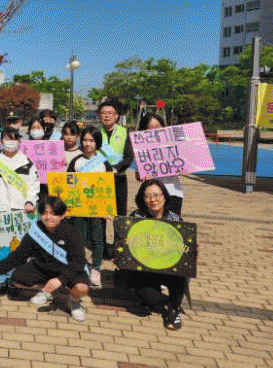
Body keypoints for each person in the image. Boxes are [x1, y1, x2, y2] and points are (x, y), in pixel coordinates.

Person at [0, 196, 90, 322]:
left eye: (53, 214)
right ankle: (47, 291)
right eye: (44, 213)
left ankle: (74, 302)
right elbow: (18, 255)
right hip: (44, 268)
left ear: (62, 215)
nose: (48, 217)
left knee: (82, 287)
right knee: (17, 278)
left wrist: (60, 280)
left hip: (68, 269)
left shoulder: (71, 231)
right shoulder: (36, 230)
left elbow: (78, 262)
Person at [125, 179, 188, 330]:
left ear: (165, 197)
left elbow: (183, 247)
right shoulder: (136, 217)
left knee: (182, 272)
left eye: (157, 195)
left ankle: (173, 310)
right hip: (144, 270)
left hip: (167, 269)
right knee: (148, 298)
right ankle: (165, 300)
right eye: (148, 196)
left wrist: (190, 250)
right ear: (142, 199)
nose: (153, 200)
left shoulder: (175, 219)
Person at [67, 125, 113, 288]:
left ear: (97, 142)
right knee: (78, 239)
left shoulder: (103, 163)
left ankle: (96, 269)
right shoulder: (76, 161)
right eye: (85, 140)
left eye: (91, 140)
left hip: (97, 209)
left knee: (97, 240)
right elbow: (69, 184)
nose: (87, 143)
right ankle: (79, 267)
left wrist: (108, 210)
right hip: (79, 209)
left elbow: (109, 187)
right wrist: (68, 206)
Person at [136, 113, 184, 215]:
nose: (154, 130)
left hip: (172, 192)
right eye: (149, 128)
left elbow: (185, 163)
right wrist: (141, 175)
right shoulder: (140, 148)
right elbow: (138, 174)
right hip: (151, 194)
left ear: (163, 127)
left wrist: (183, 168)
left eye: (157, 126)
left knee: (171, 223)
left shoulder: (173, 144)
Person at [97, 100, 134, 216]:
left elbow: (129, 156)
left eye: (110, 113)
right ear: (99, 115)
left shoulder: (124, 132)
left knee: (120, 215)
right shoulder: (94, 132)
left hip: (119, 178)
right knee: (98, 214)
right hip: (99, 178)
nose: (106, 116)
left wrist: (116, 169)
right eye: (103, 113)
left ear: (117, 115)